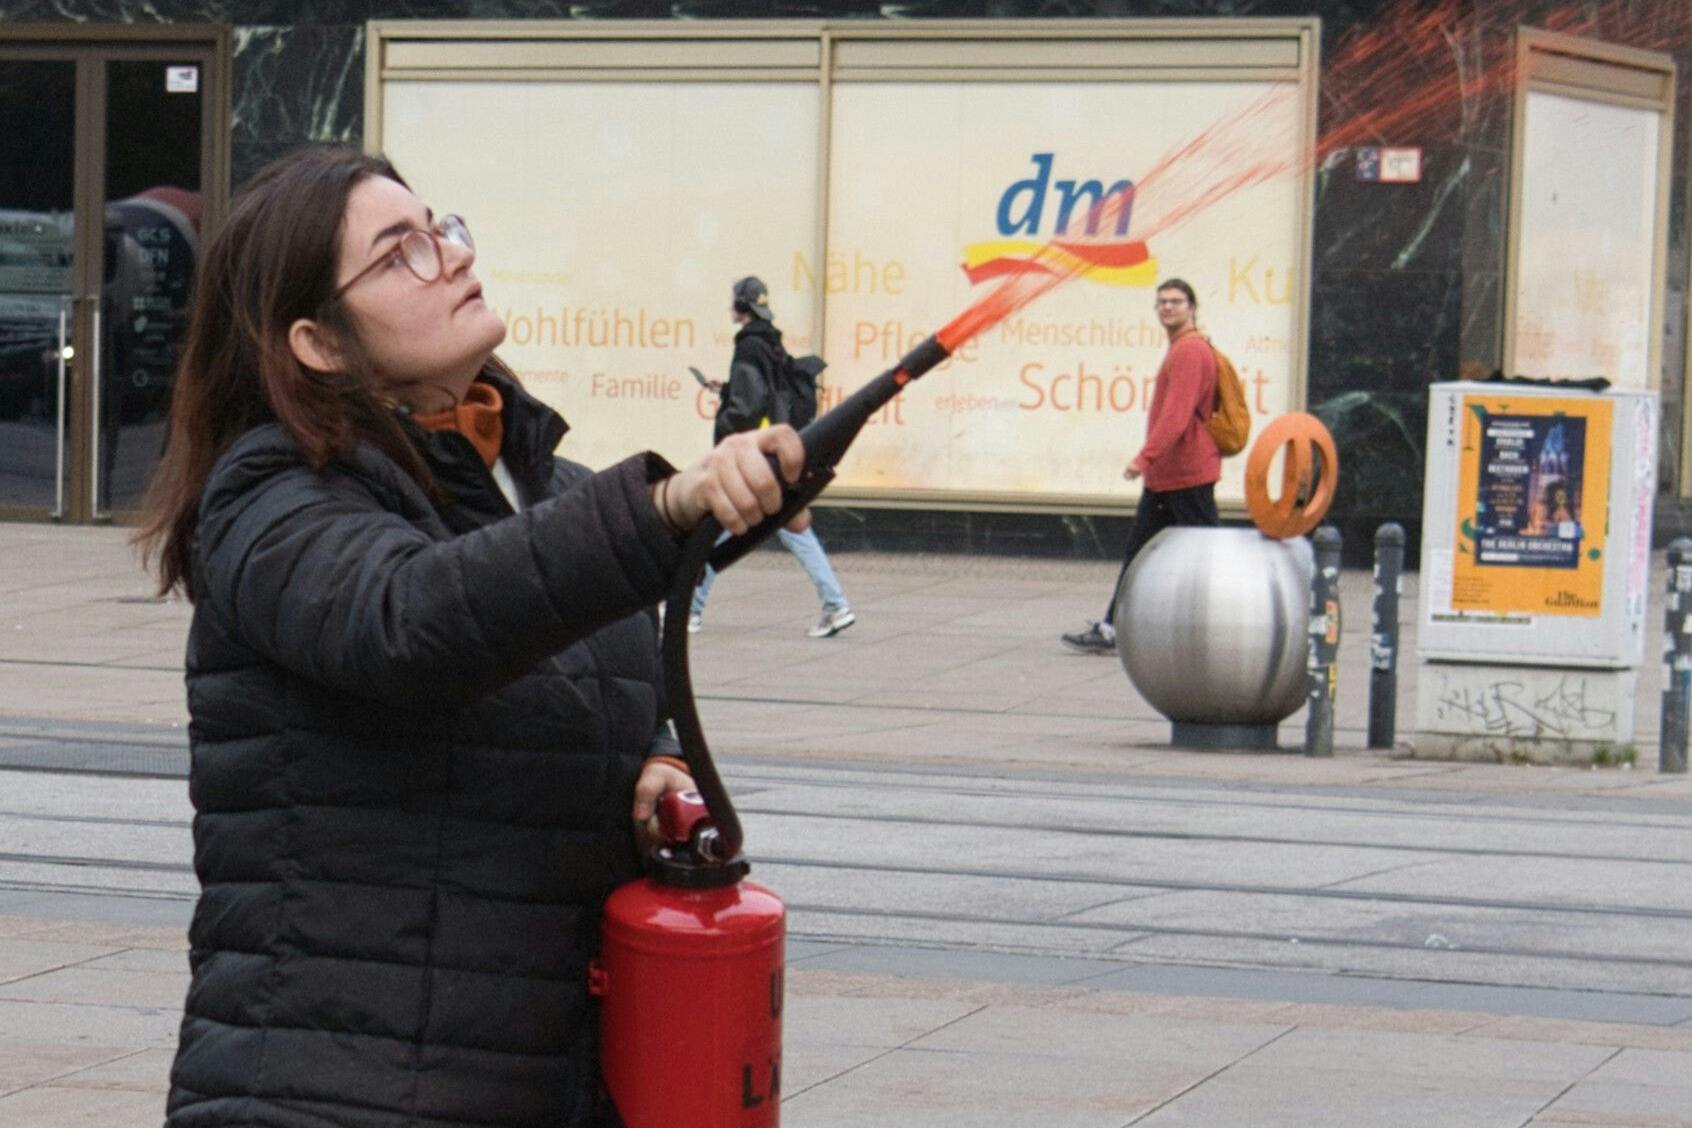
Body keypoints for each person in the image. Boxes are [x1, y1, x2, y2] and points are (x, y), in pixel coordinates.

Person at [136, 145, 805, 1128]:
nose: (447, 255)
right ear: (319, 342)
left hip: (528, 1076)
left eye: (439, 227)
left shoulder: (539, 488)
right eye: (398, 252)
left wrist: (648, 765)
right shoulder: (270, 498)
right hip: (330, 1091)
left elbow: (579, 690)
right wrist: (663, 504)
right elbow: (414, 621)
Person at [688, 275, 855, 639]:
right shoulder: (770, 342)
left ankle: (690, 607)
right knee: (795, 524)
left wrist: (727, 433)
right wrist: (729, 388)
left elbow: (748, 406)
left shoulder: (748, 346)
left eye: (733, 301)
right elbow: (769, 392)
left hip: (757, 452)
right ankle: (835, 604)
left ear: (742, 306)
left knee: (718, 519)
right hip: (779, 448)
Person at [1062, 278, 1221, 654]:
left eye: (1176, 302)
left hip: (1186, 475)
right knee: (1141, 553)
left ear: (1192, 307)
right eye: (1162, 302)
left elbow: (1176, 415)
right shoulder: (1183, 348)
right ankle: (1112, 628)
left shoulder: (1189, 352)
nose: (1167, 308)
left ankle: (1223, 627)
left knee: (1208, 559)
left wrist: (1143, 458)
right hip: (1169, 476)